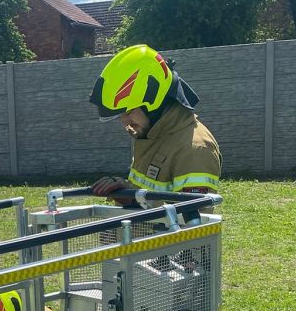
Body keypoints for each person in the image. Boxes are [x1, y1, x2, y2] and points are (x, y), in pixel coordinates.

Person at [87, 45, 221, 198]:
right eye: (120, 116)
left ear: (154, 102)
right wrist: (128, 193)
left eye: (129, 112)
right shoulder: (152, 136)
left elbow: (194, 212)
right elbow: (149, 196)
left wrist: (136, 198)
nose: (125, 123)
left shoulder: (195, 149)